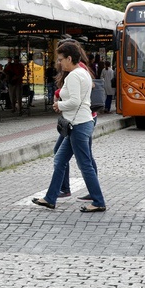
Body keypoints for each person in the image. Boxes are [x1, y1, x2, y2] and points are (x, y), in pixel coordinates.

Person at [32, 40, 106, 213]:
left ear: (69, 58)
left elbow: (75, 101)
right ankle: (50, 198)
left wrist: (60, 105)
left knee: (85, 164)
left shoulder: (74, 75)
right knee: (60, 159)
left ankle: (98, 201)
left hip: (78, 125)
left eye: (61, 59)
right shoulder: (83, 72)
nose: (59, 62)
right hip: (80, 123)